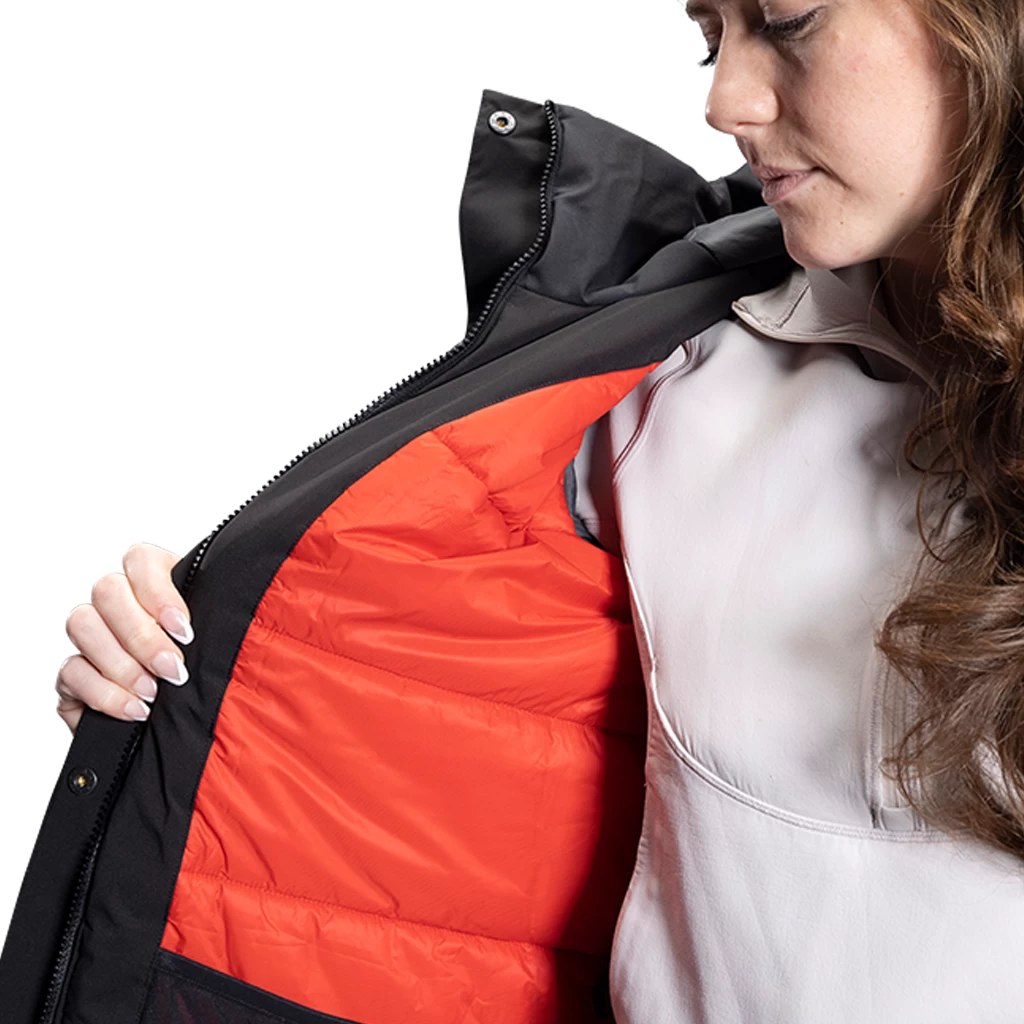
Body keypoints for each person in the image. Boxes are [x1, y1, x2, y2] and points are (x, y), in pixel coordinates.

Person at [39, 0, 1024, 1020]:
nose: (725, 102)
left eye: (787, 20)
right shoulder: (661, 390)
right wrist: (191, 685)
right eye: (707, 39)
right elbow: (408, 717)